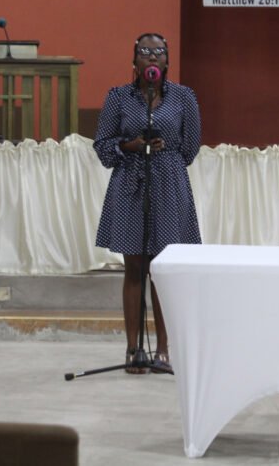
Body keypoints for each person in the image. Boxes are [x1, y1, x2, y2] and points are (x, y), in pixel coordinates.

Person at [93, 32, 201, 374]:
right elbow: (103, 145)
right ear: (134, 62)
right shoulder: (118, 97)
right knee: (135, 267)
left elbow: (191, 148)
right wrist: (131, 145)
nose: (152, 58)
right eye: (144, 52)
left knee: (164, 270)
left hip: (169, 183)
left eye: (159, 53)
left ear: (167, 61)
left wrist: (163, 152)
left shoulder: (184, 97)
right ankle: (133, 348)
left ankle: (164, 350)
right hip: (129, 183)